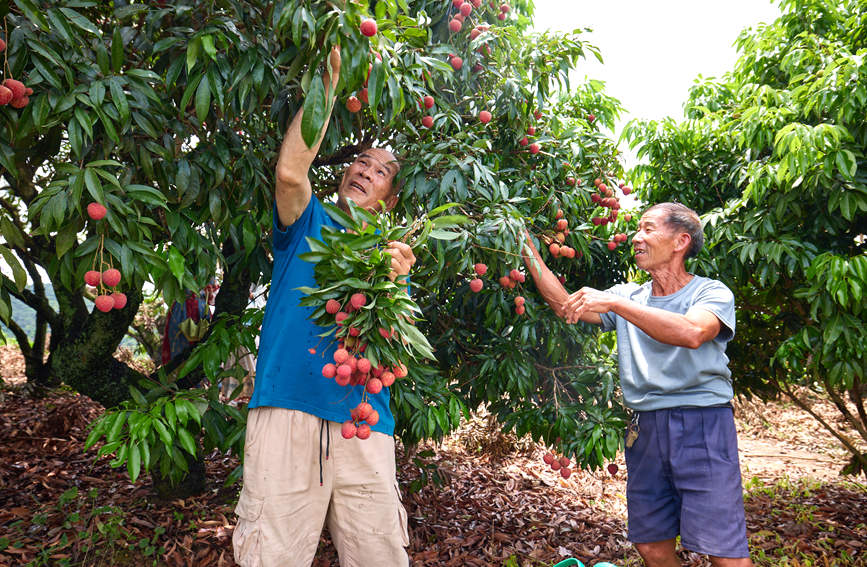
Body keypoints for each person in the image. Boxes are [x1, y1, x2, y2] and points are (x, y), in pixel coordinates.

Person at [232, 46, 416, 567]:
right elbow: (290, 175)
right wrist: (328, 88)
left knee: (380, 556)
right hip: (288, 408)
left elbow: (391, 354)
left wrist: (395, 281)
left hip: (364, 422)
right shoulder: (308, 221)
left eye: (380, 171)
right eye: (361, 161)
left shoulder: (392, 254)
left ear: (389, 198)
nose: (365, 171)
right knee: (271, 555)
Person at [522, 202, 752, 567]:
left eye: (647, 229)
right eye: (638, 229)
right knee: (651, 544)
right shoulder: (630, 297)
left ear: (680, 240)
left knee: (722, 549)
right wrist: (529, 252)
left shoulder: (711, 293)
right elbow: (567, 306)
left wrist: (615, 303)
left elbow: (692, 332)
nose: (636, 237)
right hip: (645, 428)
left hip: (702, 423)